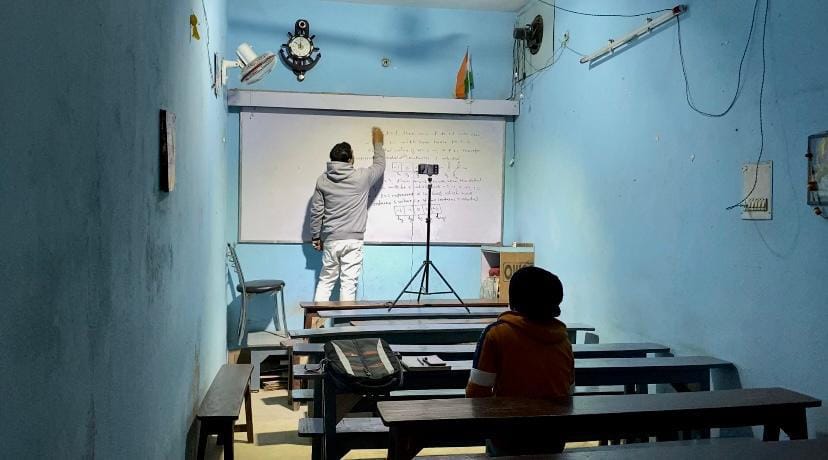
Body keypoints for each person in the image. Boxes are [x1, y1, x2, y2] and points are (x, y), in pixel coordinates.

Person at [465, 266, 574, 456]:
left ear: (513, 301)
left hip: (508, 439)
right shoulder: (563, 339)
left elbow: (476, 395)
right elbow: (569, 391)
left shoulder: (497, 334)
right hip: (554, 439)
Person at [310, 127, 385, 302]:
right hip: (353, 240)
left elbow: (316, 211)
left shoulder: (322, 179)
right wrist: (378, 143)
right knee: (349, 283)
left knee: (326, 280)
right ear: (350, 158)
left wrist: (315, 236)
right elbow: (380, 166)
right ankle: (344, 326)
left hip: (331, 239)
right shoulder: (362, 177)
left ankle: (315, 325)